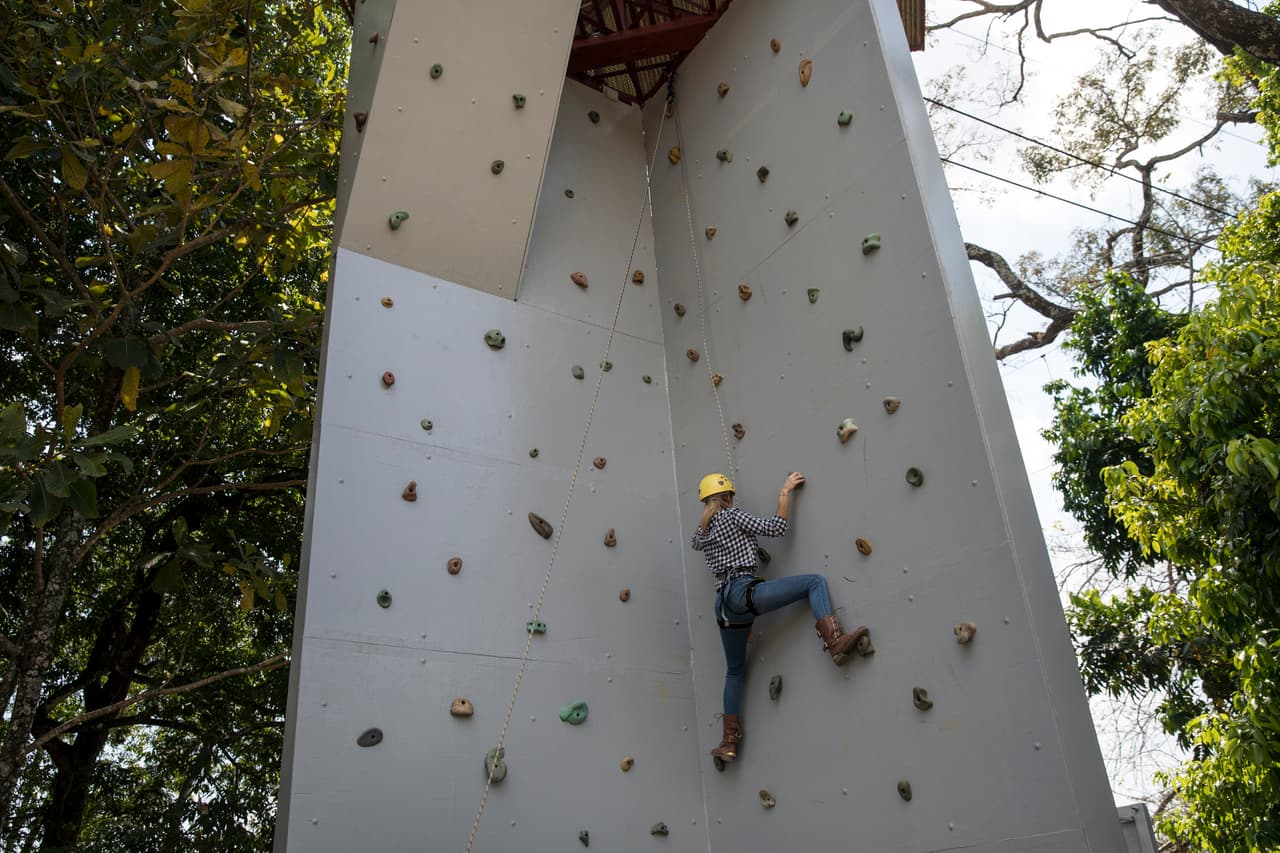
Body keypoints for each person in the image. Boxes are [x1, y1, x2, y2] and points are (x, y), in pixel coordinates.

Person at [691, 471, 869, 765]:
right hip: (742, 591)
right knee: (814, 582)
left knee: (734, 671)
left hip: (723, 607)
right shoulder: (732, 516)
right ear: (727, 497)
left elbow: (700, 542)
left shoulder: (701, 532)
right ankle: (835, 643)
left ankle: (728, 741)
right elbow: (777, 528)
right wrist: (784, 492)